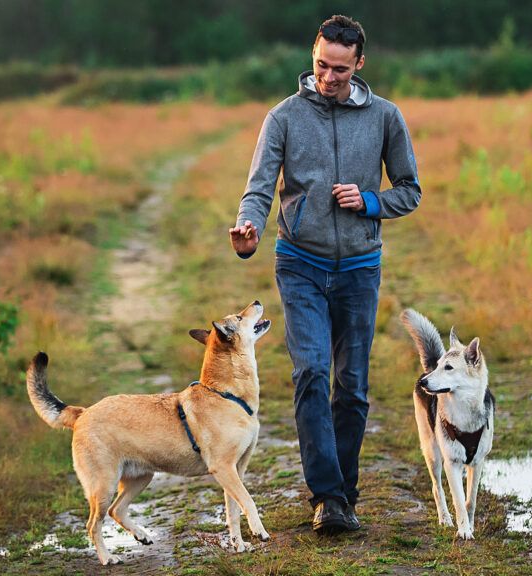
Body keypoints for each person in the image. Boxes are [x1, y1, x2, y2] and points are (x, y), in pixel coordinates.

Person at [229, 14, 422, 536]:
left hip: (360, 267)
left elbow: (410, 189)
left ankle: (346, 490)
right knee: (311, 372)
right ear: (312, 57)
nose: (328, 77)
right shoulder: (284, 117)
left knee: (352, 387)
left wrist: (371, 201)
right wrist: (249, 227)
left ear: (359, 64)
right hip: (301, 262)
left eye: (339, 69)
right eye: (320, 65)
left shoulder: (385, 117)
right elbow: (259, 187)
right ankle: (329, 498)